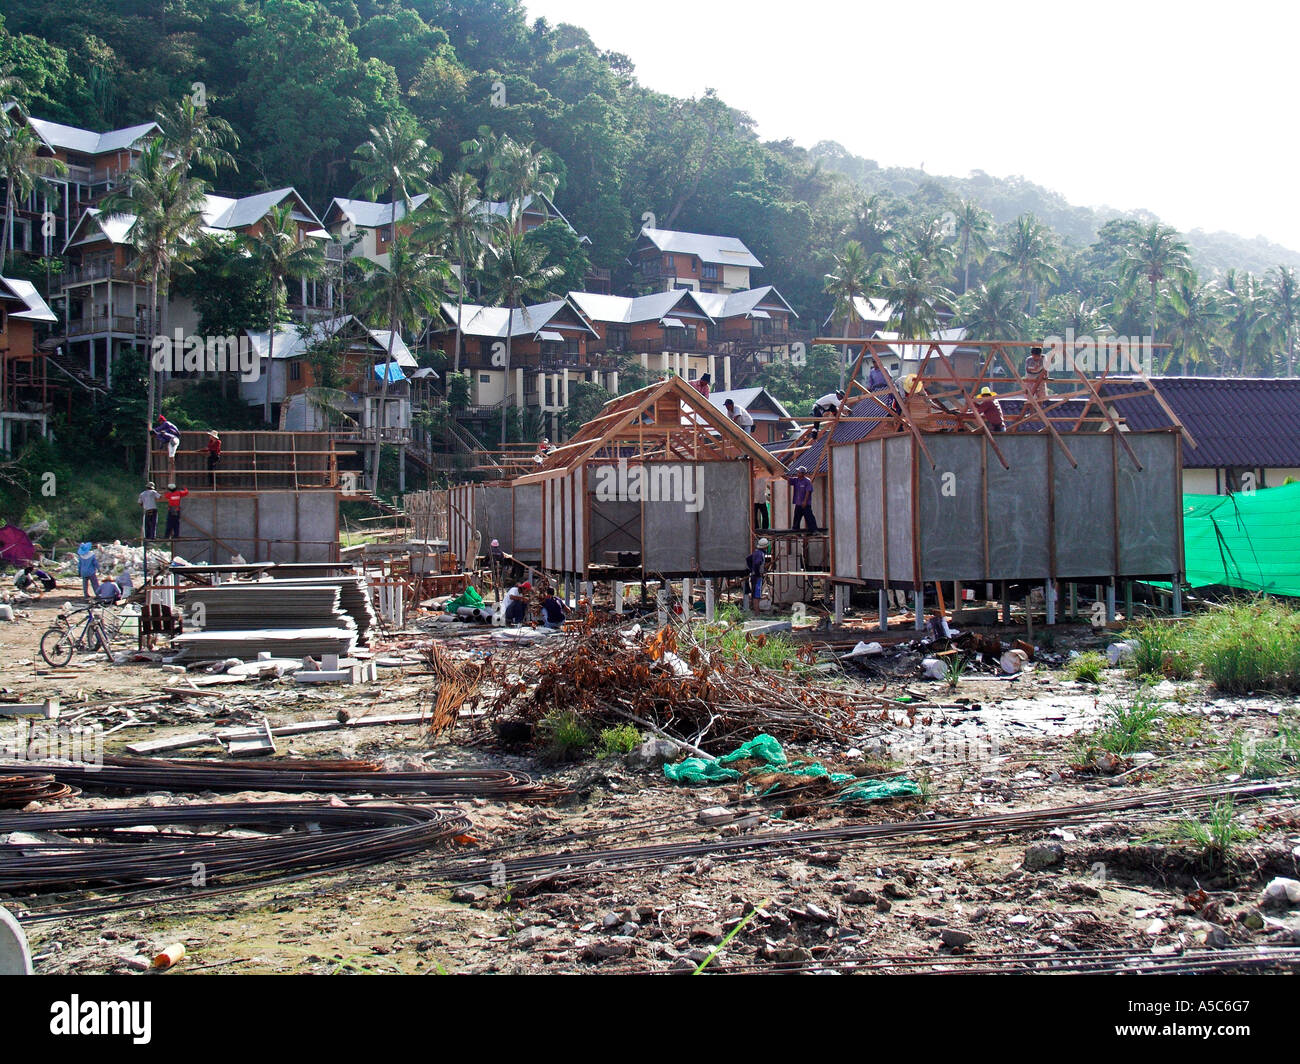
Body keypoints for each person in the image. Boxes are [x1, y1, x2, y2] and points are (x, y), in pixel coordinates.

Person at [785, 466, 818, 532]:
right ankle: (795, 529)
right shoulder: (796, 480)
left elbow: (808, 491)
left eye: (798, 472)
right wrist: (781, 474)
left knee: (809, 517)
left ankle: (814, 530)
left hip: (805, 504)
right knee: (797, 517)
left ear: (802, 473)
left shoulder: (807, 481)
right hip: (798, 503)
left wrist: (805, 501)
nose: (797, 473)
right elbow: (789, 479)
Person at [746, 537, 769, 606]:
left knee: (755, 593)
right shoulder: (760, 554)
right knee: (757, 595)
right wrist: (757, 573)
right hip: (757, 577)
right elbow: (757, 563)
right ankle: (756, 613)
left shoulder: (756, 552)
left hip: (754, 576)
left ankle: (755, 611)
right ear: (765, 547)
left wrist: (751, 569)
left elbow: (748, 559)